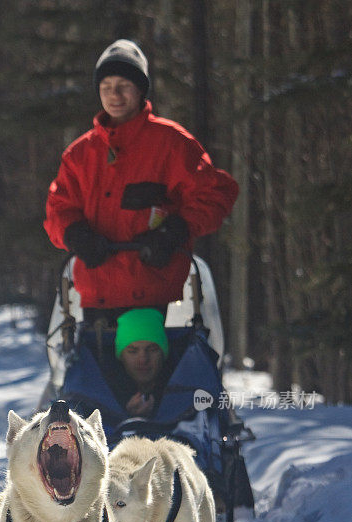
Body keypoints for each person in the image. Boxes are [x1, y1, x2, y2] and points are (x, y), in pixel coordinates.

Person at [44, 39, 239, 314]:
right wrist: (76, 235)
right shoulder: (79, 154)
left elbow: (216, 193)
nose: (115, 95)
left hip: (150, 290)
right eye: (106, 87)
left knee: (141, 357)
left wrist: (174, 232)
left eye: (124, 86)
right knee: (93, 356)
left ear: (140, 89)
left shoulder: (171, 142)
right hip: (95, 293)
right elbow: (58, 209)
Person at [112, 308, 170, 417]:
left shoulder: (185, 384)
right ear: (121, 356)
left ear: (163, 353)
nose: (143, 359)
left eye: (152, 350)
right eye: (132, 351)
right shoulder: (104, 392)